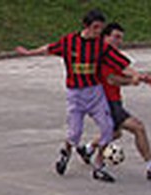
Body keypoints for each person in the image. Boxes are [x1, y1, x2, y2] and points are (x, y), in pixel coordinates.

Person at [16, 9, 139, 182]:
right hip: (76, 94)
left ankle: (99, 167)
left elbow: (121, 62)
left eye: (100, 28)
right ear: (86, 26)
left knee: (107, 129)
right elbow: (50, 48)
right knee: (75, 134)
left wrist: (134, 74)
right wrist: (30, 53)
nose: (98, 32)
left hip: (95, 93)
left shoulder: (101, 46)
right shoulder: (69, 42)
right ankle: (66, 152)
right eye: (95, 28)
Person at [76, 22, 151, 179]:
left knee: (114, 133)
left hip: (114, 100)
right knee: (138, 127)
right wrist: (132, 81)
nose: (119, 41)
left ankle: (88, 149)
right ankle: (149, 165)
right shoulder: (101, 57)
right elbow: (111, 79)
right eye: (116, 37)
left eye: (121, 38)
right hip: (105, 102)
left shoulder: (114, 56)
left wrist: (141, 77)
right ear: (105, 37)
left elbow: (124, 73)